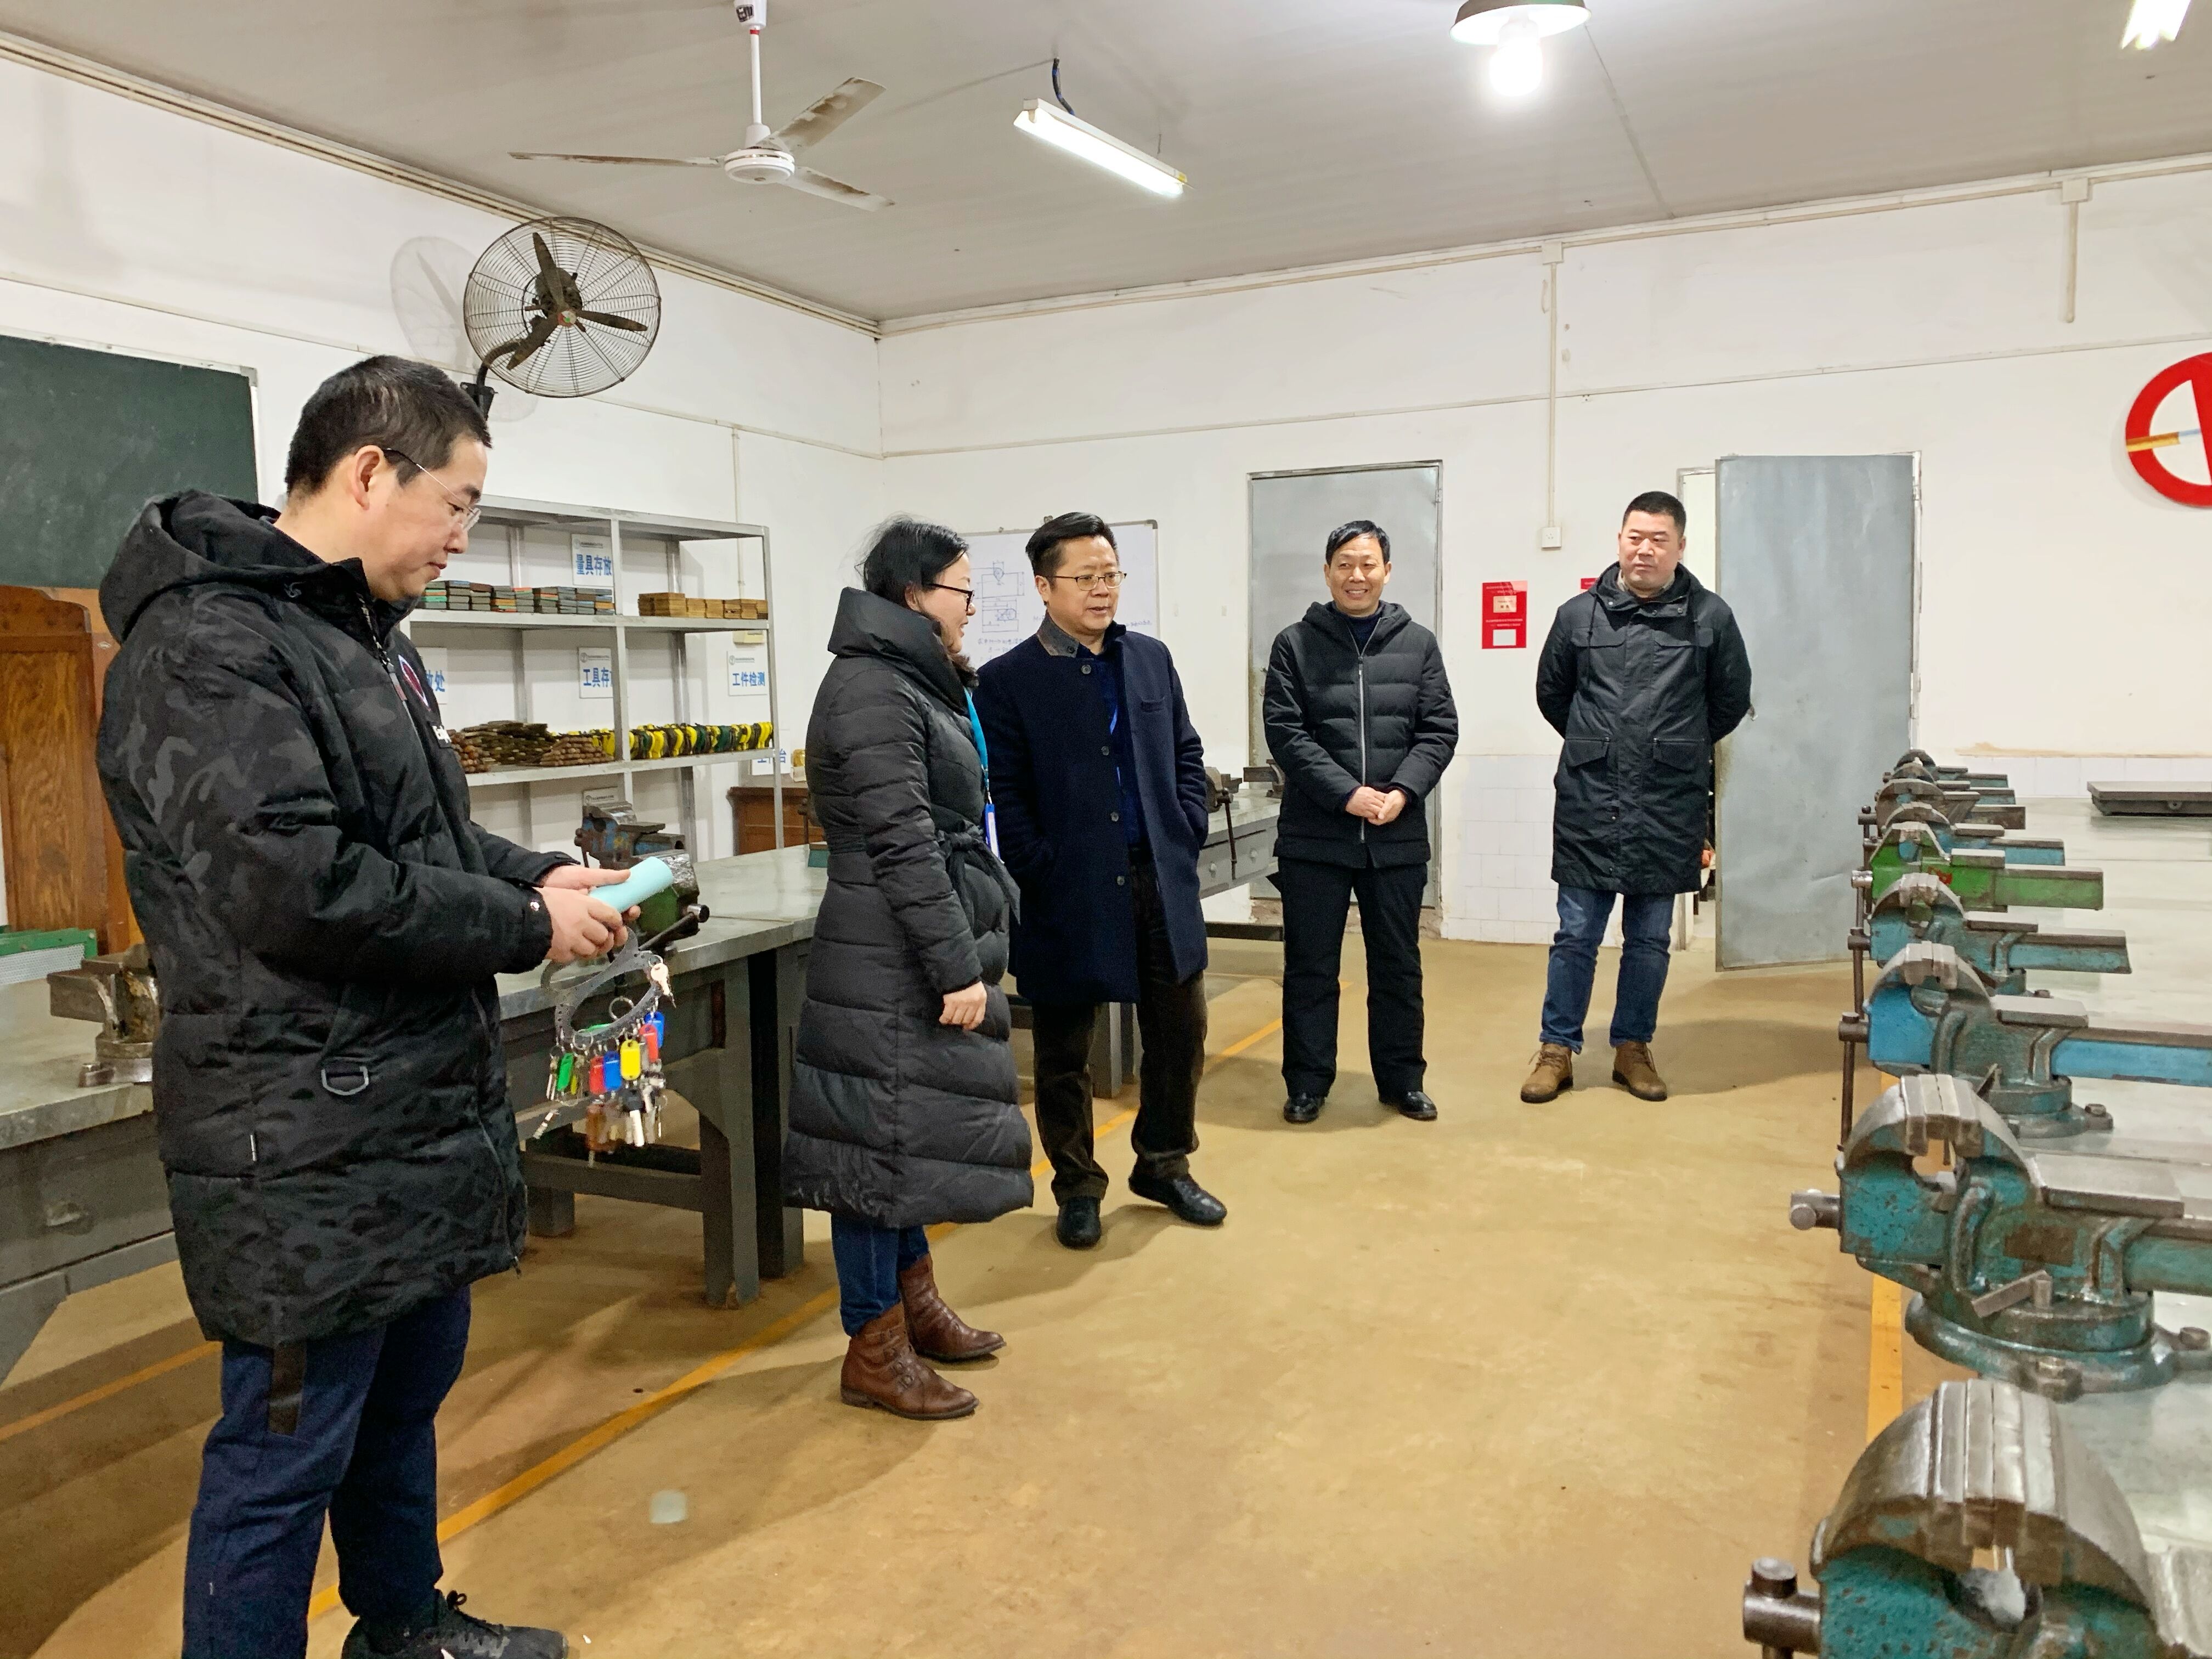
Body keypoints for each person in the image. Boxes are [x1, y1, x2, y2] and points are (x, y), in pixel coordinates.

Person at [96, 357, 628, 1659]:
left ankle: (401, 1628)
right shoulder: (212, 646)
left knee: (398, 1406)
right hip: (296, 1129)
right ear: (371, 471)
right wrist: (523, 928)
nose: (464, 537)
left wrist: (534, 877)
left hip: (399, 1109)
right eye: (458, 504)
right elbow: (299, 887)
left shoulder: (357, 636)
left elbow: (416, 839)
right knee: (284, 1452)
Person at [783, 518, 1031, 1420]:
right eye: (963, 589)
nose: (973, 607)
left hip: (901, 940)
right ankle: (874, 1345)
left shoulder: (912, 678)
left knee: (903, 1135)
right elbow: (903, 841)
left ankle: (914, 1305)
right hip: (886, 950)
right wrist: (955, 965)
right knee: (872, 1150)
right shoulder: (873, 687)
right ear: (914, 594)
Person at [974, 512, 1226, 1251]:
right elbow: (1004, 792)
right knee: (1064, 1053)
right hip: (1068, 888)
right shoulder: (1007, 681)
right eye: (1085, 577)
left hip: (1158, 877)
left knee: (1181, 1031)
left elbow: (1185, 749)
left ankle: (1164, 1163)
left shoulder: (1149, 659)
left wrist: (1185, 825)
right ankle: (1078, 1185)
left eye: (1110, 575)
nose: (1101, 590)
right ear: (1043, 586)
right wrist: (1039, 864)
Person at [1522, 489, 1753, 1105]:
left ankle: (1632, 1048)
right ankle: (1556, 1049)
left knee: (1649, 939)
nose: (1644, 549)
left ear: (1680, 546)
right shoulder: (1578, 616)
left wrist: (1675, 747)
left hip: (1667, 801)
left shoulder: (1710, 618)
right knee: (1576, 934)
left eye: (1658, 539)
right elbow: (1553, 695)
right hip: (1591, 797)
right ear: (1620, 541)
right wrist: (1597, 743)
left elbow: (1730, 702)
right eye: (1635, 537)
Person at [1262, 518, 1459, 1125]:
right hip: (1315, 836)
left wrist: (1403, 791)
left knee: (1398, 967)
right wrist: (1346, 794)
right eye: (1344, 564)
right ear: (1327, 573)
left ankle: (1403, 1081)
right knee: (1311, 968)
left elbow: (1439, 730)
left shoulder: (1418, 644)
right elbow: (1286, 732)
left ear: (1387, 571)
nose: (1357, 575)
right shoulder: (1295, 644)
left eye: (1368, 563)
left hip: (1396, 837)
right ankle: (1307, 1083)